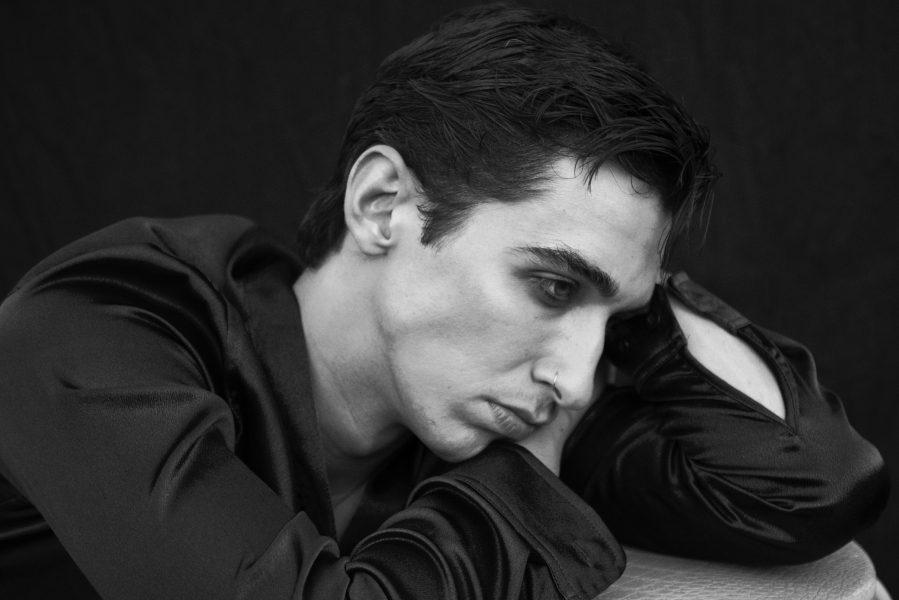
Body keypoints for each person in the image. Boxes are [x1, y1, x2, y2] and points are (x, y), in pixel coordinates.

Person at [0, 4, 888, 599]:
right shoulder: (97, 328)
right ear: (383, 205)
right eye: (550, 284)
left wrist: (637, 300)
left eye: (610, 322)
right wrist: (526, 483)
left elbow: (810, 484)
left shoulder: (488, 397)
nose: (578, 380)